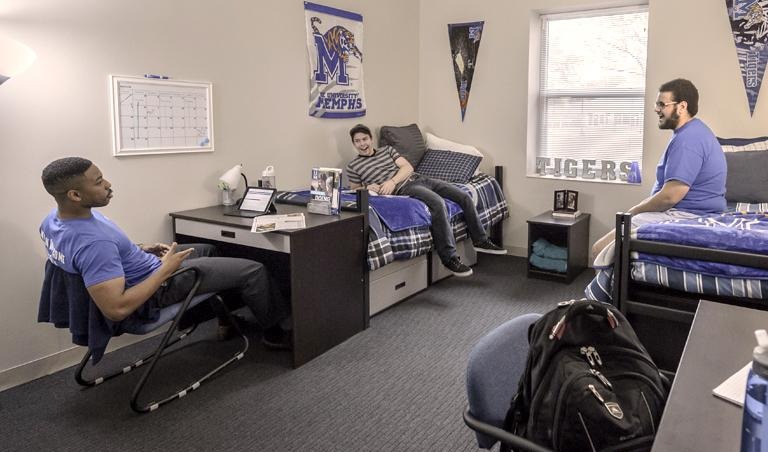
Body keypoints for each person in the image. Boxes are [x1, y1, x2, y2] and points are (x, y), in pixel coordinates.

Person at [39, 157, 293, 349]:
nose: (107, 184)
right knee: (254, 270)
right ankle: (274, 332)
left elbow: (92, 258)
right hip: (156, 289)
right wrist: (165, 270)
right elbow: (117, 309)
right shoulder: (94, 244)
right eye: (98, 182)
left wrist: (138, 249)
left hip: (145, 268)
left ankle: (226, 321)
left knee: (208, 249)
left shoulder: (54, 221)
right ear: (74, 195)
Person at [345, 124, 506, 277]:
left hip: (419, 178)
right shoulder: (353, 166)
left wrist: (391, 181)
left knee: (463, 196)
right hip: (404, 188)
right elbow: (354, 189)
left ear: (371, 139)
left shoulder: (387, 150)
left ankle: (481, 240)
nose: (362, 144)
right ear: (353, 144)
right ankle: (449, 258)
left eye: (364, 139)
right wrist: (367, 188)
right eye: (357, 141)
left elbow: (407, 168)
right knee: (437, 203)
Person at [591, 79, 727, 257]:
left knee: (598, 250)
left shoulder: (688, 140)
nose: (656, 109)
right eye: (657, 104)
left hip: (685, 214)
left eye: (662, 104)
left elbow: (671, 196)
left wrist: (634, 211)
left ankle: (611, 285)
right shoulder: (693, 132)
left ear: (682, 107)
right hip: (690, 212)